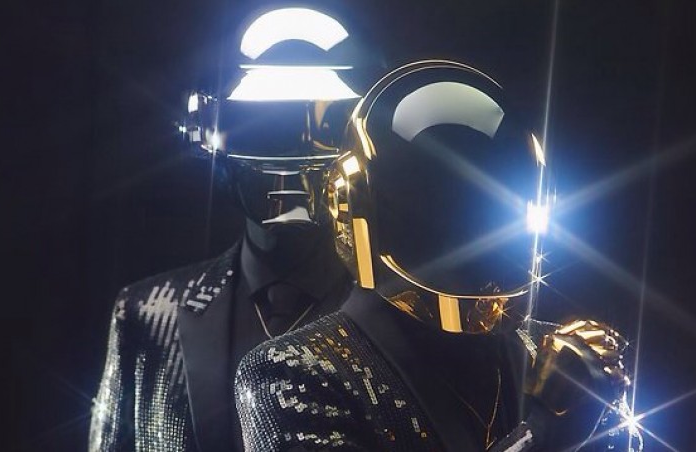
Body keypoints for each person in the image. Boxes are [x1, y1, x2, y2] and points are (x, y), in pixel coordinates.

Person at [235, 60, 642, 451]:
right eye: (453, 203)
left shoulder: (556, 354)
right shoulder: (293, 371)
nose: (481, 230)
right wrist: (542, 434)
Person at [88, 7, 368, 451]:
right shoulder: (146, 314)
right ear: (211, 138)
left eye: (317, 128)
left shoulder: (399, 317)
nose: (288, 162)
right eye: (268, 129)